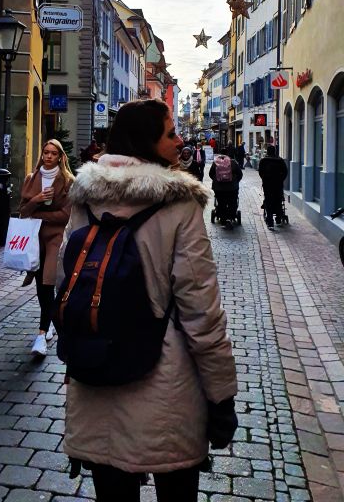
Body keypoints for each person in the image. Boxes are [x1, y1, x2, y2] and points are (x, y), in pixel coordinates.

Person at [58, 99, 238, 502]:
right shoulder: (179, 203)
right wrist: (222, 395)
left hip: (95, 372)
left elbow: (62, 281)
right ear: (146, 142)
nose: (179, 142)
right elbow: (201, 310)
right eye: (170, 134)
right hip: (166, 385)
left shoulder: (85, 198)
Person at [19, 139, 74, 356]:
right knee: (41, 285)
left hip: (55, 238)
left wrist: (38, 213)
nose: (48, 157)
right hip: (34, 237)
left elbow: (65, 215)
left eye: (53, 153)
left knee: (49, 280)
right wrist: (37, 199)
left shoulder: (69, 181)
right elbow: (23, 211)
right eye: (45, 153)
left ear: (60, 157)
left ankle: (41, 335)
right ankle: (49, 321)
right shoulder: (31, 179)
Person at [209, 149, 243, 229]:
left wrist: (217, 181)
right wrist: (235, 182)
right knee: (233, 202)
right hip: (232, 188)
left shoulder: (215, 163)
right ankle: (230, 218)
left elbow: (211, 174)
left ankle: (223, 219)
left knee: (221, 203)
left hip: (219, 188)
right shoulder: (233, 162)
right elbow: (240, 174)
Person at [258, 145, 288, 229]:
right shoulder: (280, 160)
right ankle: (278, 219)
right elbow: (285, 171)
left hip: (267, 185)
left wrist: (265, 179)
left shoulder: (263, 161)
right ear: (274, 151)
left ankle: (270, 222)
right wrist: (281, 179)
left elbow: (260, 172)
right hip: (278, 185)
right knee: (278, 200)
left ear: (267, 151)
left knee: (268, 201)